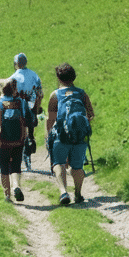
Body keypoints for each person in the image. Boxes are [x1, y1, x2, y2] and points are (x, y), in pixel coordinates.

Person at [46, 62, 96, 205]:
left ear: (59, 78)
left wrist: (49, 135)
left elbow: (51, 119)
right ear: (73, 77)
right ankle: (78, 194)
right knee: (77, 167)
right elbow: (91, 114)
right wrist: (81, 125)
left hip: (61, 134)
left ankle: (63, 192)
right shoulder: (81, 93)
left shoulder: (55, 95)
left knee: (59, 163)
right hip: (80, 135)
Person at [0, 78, 28, 201]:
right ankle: (16, 186)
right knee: (16, 166)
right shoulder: (21, 102)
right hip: (18, 141)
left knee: (4, 168)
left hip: (2, 142)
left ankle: (7, 195)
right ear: (13, 89)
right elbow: (29, 118)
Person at [3, 53, 43, 171]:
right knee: (29, 134)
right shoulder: (34, 75)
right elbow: (40, 94)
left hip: (17, 108)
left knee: (19, 134)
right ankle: (29, 153)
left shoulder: (13, 78)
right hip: (31, 107)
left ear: (16, 64)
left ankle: (19, 160)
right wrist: (36, 110)